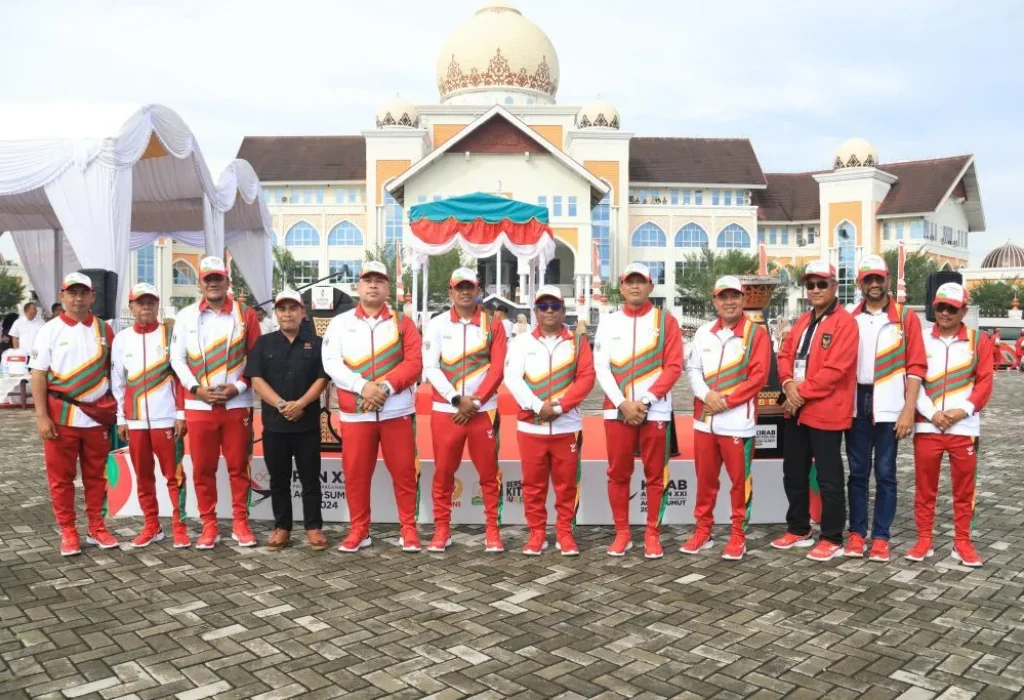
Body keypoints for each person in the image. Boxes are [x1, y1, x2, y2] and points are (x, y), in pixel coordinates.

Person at [322, 261, 423, 552]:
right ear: (359, 286)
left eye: (379, 280)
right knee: (355, 475)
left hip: (397, 412)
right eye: (368, 280)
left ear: (388, 287)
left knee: (404, 472)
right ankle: (359, 531)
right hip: (356, 414)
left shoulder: (403, 322)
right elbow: (330, 362)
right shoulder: (341, 323)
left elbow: (414, 363)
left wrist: (386, 388)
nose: (373, 285)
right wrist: (361, 386)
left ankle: (409, 530)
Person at [170, 256, 262, 549]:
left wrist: (237, 388)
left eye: (217, 278)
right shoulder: (185, 316)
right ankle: (209, 524)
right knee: (202, 468)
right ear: (200, 284)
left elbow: (256, 360)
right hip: (199, 406)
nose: (213, 283)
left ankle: (240, 522)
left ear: (227, 282)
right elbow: (177, 359)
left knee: (238, 466)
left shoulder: (245, 314)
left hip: (237, 405)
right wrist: (196, 389)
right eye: (207, 278)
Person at [594, 262, 683, 559]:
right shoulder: (608, 322)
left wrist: (644, 402)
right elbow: (601, 367)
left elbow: (673, 367)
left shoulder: (666, 321)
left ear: (650, 287)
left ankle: (652, 533)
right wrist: (622, 403)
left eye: (640, 281)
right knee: (618, 473)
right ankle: (622, 533)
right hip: (616, 410)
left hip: (654, 411)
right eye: (629, 282)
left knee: (655, 475)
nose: (635, 286)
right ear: (621, 287)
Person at [843, 255, 927, 562]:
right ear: (860, 283)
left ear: (888, 280)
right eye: (868, 279)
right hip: (857, 402)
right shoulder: (849, 318)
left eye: (879, 278)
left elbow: (917, 367)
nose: (874, 284)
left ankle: (880, 537)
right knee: (857, 473)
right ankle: (856, 533)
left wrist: (908, 411)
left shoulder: (906, 318)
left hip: (891, 406)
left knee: (886, 473)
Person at [773, 260, 858, 561]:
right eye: (810, 285)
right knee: (793, 472)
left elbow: (836, 370)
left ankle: (833, 536)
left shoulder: (845, 323)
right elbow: (784, 355)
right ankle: (798, 528)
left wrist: (800, 393)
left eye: (822, 284)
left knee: (829, 477)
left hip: (826, 411)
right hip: (795, 410)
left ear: (835, 286)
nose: (816, 289)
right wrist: (787, 385)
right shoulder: (802, 322)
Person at [682, 276, 771, 561]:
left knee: (738, 483)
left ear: (743, 300)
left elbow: (758, 378)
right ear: (715, 301)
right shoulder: (703, 332)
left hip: (738, 423)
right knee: (705, 480)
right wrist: (706, 395)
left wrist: (727, 402)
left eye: (734, 296)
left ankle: (737, 536)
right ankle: (703, 531)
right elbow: (693, 369)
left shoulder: (756, 335)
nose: (729, 302)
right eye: (723, 297)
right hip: (704, 420)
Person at [29, 272, 118, 556]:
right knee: (61, 478)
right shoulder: (49, 330)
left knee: (96, 476)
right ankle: (68, 531)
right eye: (72, 293)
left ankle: (96, 526)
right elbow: (38, 375)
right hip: (61, 416)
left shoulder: (105, 330)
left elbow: (115, 373)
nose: (78, 299)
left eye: (83, 293)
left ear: (93, 296)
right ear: (62, 296)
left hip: (96, 417)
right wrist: (41, 416)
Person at [504, 285, 595, 555]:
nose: (549, 311)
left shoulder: (577, 342)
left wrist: (560, 407)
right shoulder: (521, 342)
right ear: (535, 311)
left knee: (567, 484)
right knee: (533, 485)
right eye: (543, 306)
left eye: (554, 306)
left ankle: (565, 532)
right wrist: (536, 406)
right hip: (531, 425)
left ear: (563, 310)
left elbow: (586, 378)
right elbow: (512, 378)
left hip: (568, 426)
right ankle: (537, 533)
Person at [422, 268, 507, 553]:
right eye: (459, 287)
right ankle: (442, 529)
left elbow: (497, 369)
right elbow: (430, 367)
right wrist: (456, 399)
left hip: (485, 411)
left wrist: (477, 402)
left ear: (479, 289)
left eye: (470, 286)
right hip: (447, 409)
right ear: (450, 292)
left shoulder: (494, 325)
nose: (465, 292)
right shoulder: (436, 324)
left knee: (489, 472)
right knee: (444, 472)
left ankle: (492, 530)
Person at [909, 283, 993, 567]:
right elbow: (912, 380)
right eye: (940, 307)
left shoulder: (978, 340)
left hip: (964, 428)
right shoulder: (919, 338)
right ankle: (923, 540)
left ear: (964, 311)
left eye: (952, 308)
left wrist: (963, 411)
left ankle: (962, 543)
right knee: (924, 487)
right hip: (928, 426)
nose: (944, 313)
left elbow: (984, 383)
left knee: (964, 489)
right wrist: (931, 413)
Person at [246, 290, 330, 552]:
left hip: (307, 424)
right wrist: (282, 405)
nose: (287, 313)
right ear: (276, 313)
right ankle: (282, 528)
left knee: (310, 479)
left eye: (293, 308)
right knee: (278, 480)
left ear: (303, 313)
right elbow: (256, 379)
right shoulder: (264, 343)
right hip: (275, 424)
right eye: (282, 309)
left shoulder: (317, 343)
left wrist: (301, 404)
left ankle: (313, 527)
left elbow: (322, 379)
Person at [110, 283, 189, 548]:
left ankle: (179, 525)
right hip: (135, 421)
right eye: (140, 303)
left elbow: (180, 379)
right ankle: (152, 526)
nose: (145, 307)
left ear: (157, 305)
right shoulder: (121, 339)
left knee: (174, 475)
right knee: (143, 476)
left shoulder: (171, 334)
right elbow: (117, 383)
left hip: (166, 419)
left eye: (150, 302)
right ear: (130, 307)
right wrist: (121, 418)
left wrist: (181, 413)